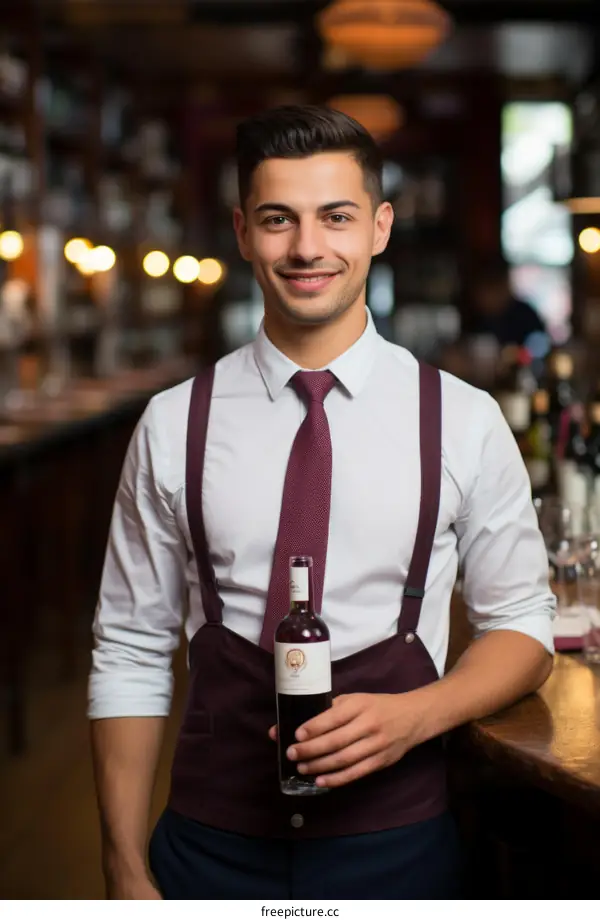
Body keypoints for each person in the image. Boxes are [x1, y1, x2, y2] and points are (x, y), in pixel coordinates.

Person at [88, 105, 556, 900]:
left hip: (401, 848)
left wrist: (421, 714)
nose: (307, 248)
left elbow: (524, 625)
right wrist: (124, 868)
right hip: (207, 850)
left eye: (335, 217)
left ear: (378, 227)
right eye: (279, 219)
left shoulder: (464, 419)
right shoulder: (174, 424)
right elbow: (130, 651)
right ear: (242, 231)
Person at [469, 259, 548, 348]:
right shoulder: (476, 319)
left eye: (488, 290)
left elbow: (542, 349)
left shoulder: (526, 316)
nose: (482, 298)